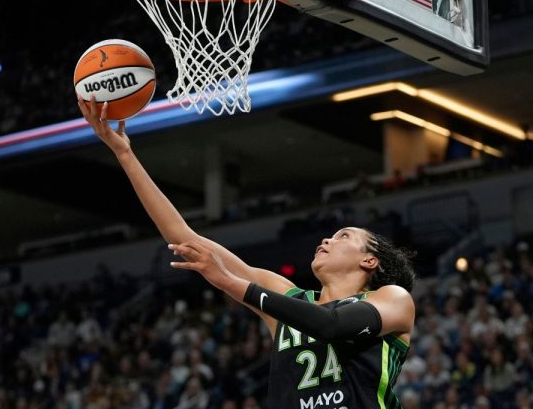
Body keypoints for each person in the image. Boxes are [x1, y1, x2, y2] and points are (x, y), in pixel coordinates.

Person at [77, 95, 417, 408]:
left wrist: (231, 283)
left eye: (343, 236)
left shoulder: (392, 300)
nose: (327, 240)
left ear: (369, 260)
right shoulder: (289, 297)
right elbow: (182, 236)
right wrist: (124, 154)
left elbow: (331, 325)